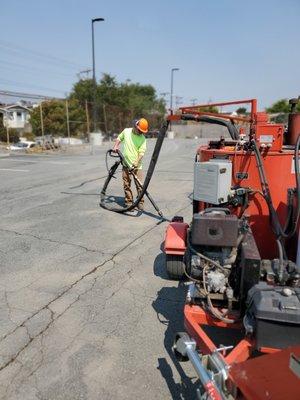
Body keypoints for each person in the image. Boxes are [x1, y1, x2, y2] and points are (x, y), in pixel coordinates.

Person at [113, 118, 148, 210]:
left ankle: (140, 202)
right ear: (136, 126)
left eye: (143, 132)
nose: (141, 133)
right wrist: (116, 145)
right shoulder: (126, 131)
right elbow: (119, 138)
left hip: (137, 166)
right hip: (125, 164)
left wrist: (136, 163)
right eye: (140, 131)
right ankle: (129, 202)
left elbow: (141, 153)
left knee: (140, 185)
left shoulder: (143, 139)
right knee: (126, 184)